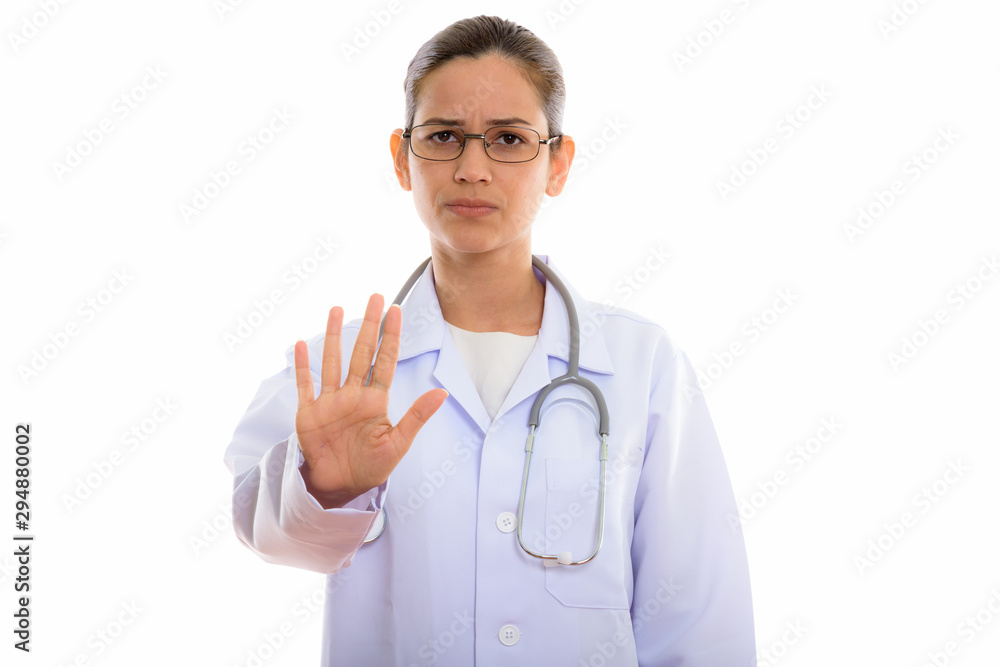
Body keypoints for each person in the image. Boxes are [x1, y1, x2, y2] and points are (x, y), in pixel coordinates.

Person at [224, 15, 755, 666]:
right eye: (444, 136)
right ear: (402, 158)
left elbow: (698, 614)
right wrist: (326, 489)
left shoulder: (643, 365)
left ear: (557, 163)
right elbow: (267, 536)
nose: (472, 168)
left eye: (508, 138)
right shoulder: (343, 369)